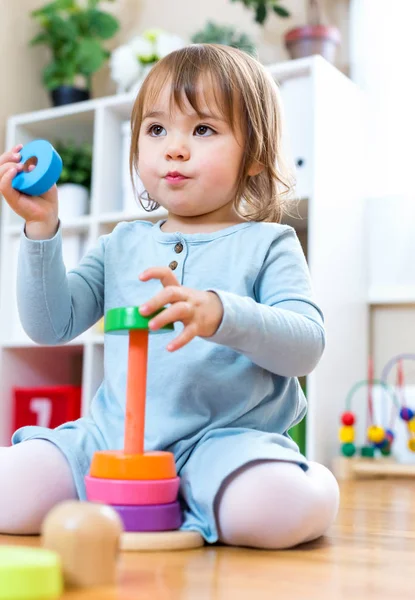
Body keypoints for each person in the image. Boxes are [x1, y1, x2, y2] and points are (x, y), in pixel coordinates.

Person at [0, 44, 339, 548]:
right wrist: (42, 231)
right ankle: (167, 501)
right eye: (156, 129)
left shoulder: (268, 243)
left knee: (278, 509)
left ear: (255, 156)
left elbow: (306, 346)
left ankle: (302, 481)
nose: (174, 148)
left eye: (203, 129)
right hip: (111, 442)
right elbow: (51, 324)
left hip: (224, 445)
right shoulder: (121, 243)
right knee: (8, 490)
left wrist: (223, 313)